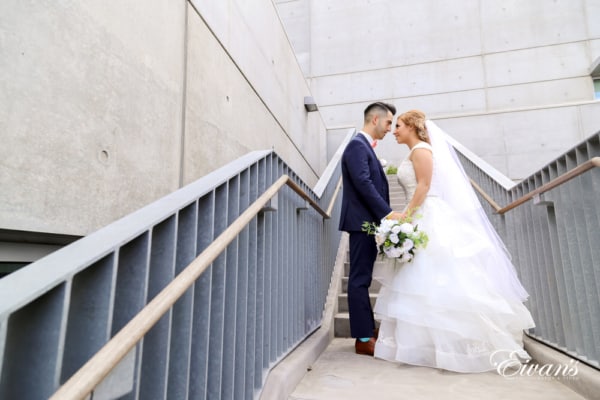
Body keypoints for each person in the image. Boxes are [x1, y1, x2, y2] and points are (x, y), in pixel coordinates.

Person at [372, 110, 535, 372]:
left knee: (437, 276)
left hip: (427, 215)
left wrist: (406, 216)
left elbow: (424, 186)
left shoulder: (422, 150)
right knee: (423, 280)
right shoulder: (414, 151)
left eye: (399, 125)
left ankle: (455, 347)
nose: (394, 130)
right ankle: (428, 347)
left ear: (412, 126)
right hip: (419, 215)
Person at [339, 101, 402, 356]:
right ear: (374, 120)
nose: (390, 128)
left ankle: (367, 330)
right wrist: (387, 213)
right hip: (361, 223)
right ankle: (363, 338)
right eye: (388, 122)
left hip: (367, 222)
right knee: (359, 279)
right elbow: (363, 183)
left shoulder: (364, 147)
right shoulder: (357, 145)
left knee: (361, 277)